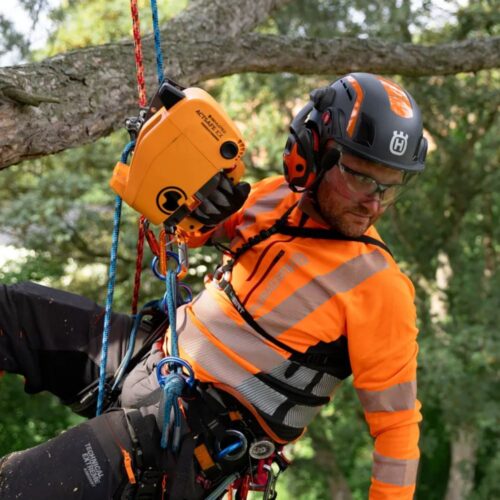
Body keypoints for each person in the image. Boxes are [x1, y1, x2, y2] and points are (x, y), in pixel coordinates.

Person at [0, 72, 427, 499]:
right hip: (152, 358)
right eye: (360, 177)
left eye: (389, 187)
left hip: (184, 440)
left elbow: (397, 430)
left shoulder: (379, 287)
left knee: (19, 486)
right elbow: (188, 234)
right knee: (10, 311)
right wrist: (196, 198)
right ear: (312, 150)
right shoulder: (274, 197)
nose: (374, 202)